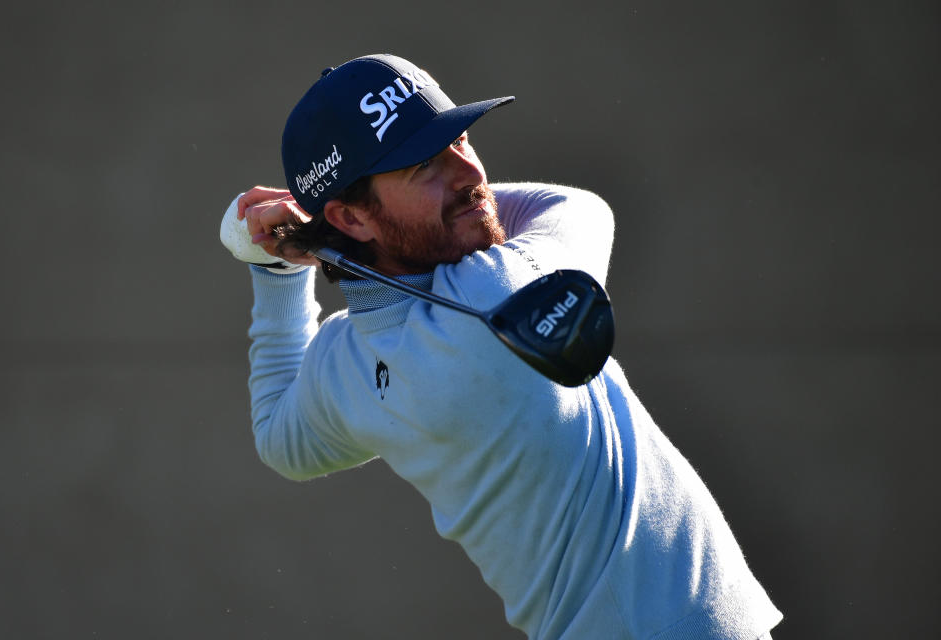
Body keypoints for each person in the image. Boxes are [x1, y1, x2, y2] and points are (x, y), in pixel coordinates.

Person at [221, 53, 783, 640]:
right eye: (425, 164)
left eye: (461, 141)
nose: (469, 174)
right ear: (353, 217)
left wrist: (281, 267)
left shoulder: (349, 365)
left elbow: (279, 437)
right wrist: (320, 236)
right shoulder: (494, 290)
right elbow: (576, 207)